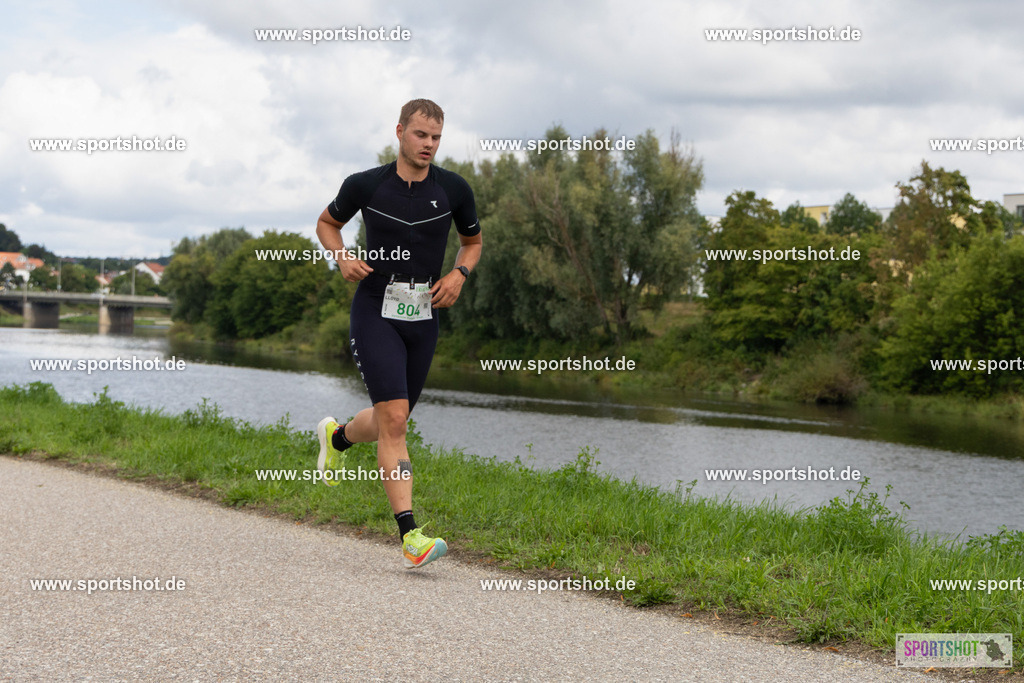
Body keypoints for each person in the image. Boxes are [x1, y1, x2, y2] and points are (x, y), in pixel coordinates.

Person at [314, 99, 482, 569]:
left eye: (436, 138)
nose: (428, 145)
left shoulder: (454, 189)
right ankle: (411, 536)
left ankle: (339, 438)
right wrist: (343, 255)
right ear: (400, 133)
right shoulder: (365, 184)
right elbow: (328, 224)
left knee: (396, 416)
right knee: (395, 421)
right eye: (420, 135)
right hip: (374, 308)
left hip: (423, 314)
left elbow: (473, 243)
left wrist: (459, 275)